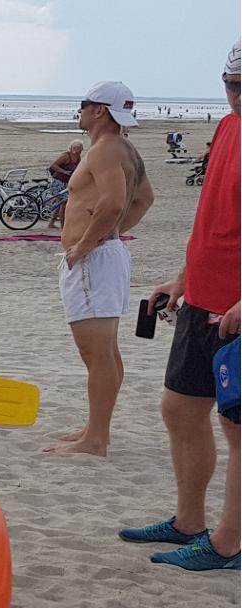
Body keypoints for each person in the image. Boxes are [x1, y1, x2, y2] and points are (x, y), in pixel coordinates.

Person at [122, 42, 240, 569]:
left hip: (237, 307)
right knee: (179, 408)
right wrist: (182, 278)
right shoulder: (227, 128)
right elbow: (214, 217)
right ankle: (189, 521)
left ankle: (228, 545)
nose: (236, 94)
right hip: (204, 298)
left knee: (237, 430)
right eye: (231, 83)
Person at [48, 81, 155, 457]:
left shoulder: (107, 150)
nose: (79, 111)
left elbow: (114, 202)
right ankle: (96, 428)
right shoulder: (123, 148)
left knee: (96, 353)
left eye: (83, 104)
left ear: (99, 111)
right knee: (105, 351)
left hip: (95, 260)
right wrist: (110, 234)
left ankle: (96, 439)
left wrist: (86, 243)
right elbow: (144, 199)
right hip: (104, 255)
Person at [49, 140, 84, 226]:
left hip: (67, 183)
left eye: (82, 148)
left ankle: (51, 223)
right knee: (64, 204)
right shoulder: (66, 156)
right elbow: (53, 165)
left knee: (60, 203)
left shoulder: (78, 157)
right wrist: (64, 171)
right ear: (74, 148)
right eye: (80, 148)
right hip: (59, 182)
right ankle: (63, 225)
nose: (82, 150)